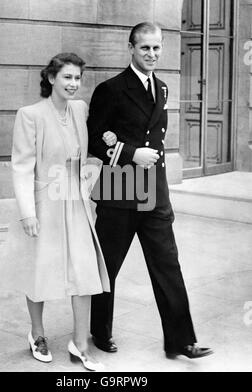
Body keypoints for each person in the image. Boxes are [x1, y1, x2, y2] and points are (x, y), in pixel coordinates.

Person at [87, 22, 213, 359]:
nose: (152, 54)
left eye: (157, 48)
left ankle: (182, 341)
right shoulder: (111, 89)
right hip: (118, 190)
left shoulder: (164, 88)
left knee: (168, 265)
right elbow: (95, 140)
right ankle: (100, 331)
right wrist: (130, 153)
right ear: (131, 48)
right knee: (107, 266)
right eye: (145, 48)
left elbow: (155, 139)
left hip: (153, 193)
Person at [0, 53, 111, 371]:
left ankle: (81, 343)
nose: (74, 84)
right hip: (43, 204)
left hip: (74, 202)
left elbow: (88, 154)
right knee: (40, 271)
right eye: (67, 77)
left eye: (78, 78)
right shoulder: (30, 114)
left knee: (85, 272)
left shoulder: (80, 109)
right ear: (51, 79)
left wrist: (88, 189)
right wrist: (27, 213)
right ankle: (37, 334)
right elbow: (21, 167)